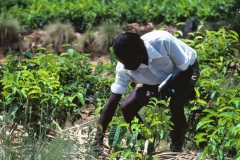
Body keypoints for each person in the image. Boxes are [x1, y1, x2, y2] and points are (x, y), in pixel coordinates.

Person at [93, 30, 200, 154]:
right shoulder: (124, 67)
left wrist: (172, 91)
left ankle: (176, 147)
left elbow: (187, 71)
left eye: (129, 62)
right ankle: (145, 144)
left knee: (176, 102)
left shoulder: (162, 41)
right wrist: (97, 140)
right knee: (126, 107)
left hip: (185, 70)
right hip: (156, 81)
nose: (126, 67)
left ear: (141, 51)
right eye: (123, 63)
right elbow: (112, 103)